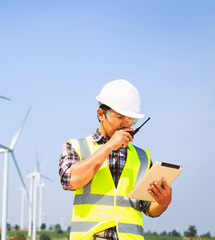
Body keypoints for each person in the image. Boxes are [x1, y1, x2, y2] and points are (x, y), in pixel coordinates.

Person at [59, 79, 172, 240]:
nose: (126, 124)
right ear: (101, 115)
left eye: (131, 120)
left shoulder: (142, 157)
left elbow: (147, 207)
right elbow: (70, 181)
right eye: (120, 117)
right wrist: (109, 146)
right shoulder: (76, 146)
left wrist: (162, 203)